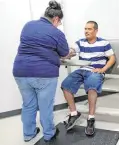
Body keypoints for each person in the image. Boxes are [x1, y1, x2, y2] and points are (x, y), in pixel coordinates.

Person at [13, 0, 75, 142]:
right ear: (56, 19)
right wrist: (71, 51)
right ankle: (49, 133)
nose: (59, 25)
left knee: (28, 104)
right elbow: (64, 53)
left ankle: (28, 134)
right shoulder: (56, 32)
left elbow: (36, 48)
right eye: (59, 23)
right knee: (45, 105)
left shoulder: (28, 25)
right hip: (44, 74)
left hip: (20, 71)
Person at [61, 21, 116, 136]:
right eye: (85, 29)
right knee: (65, 85)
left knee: (91, 86)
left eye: (89, 29)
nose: (86, 31)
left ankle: (91, 119)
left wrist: (103, 69)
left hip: (95, 71)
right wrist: (67, 54)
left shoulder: (103, 43)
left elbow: (112, 58)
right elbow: (72, 51)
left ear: (96, 30)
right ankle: (74, 113)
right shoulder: (80, 42)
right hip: (82, 70)